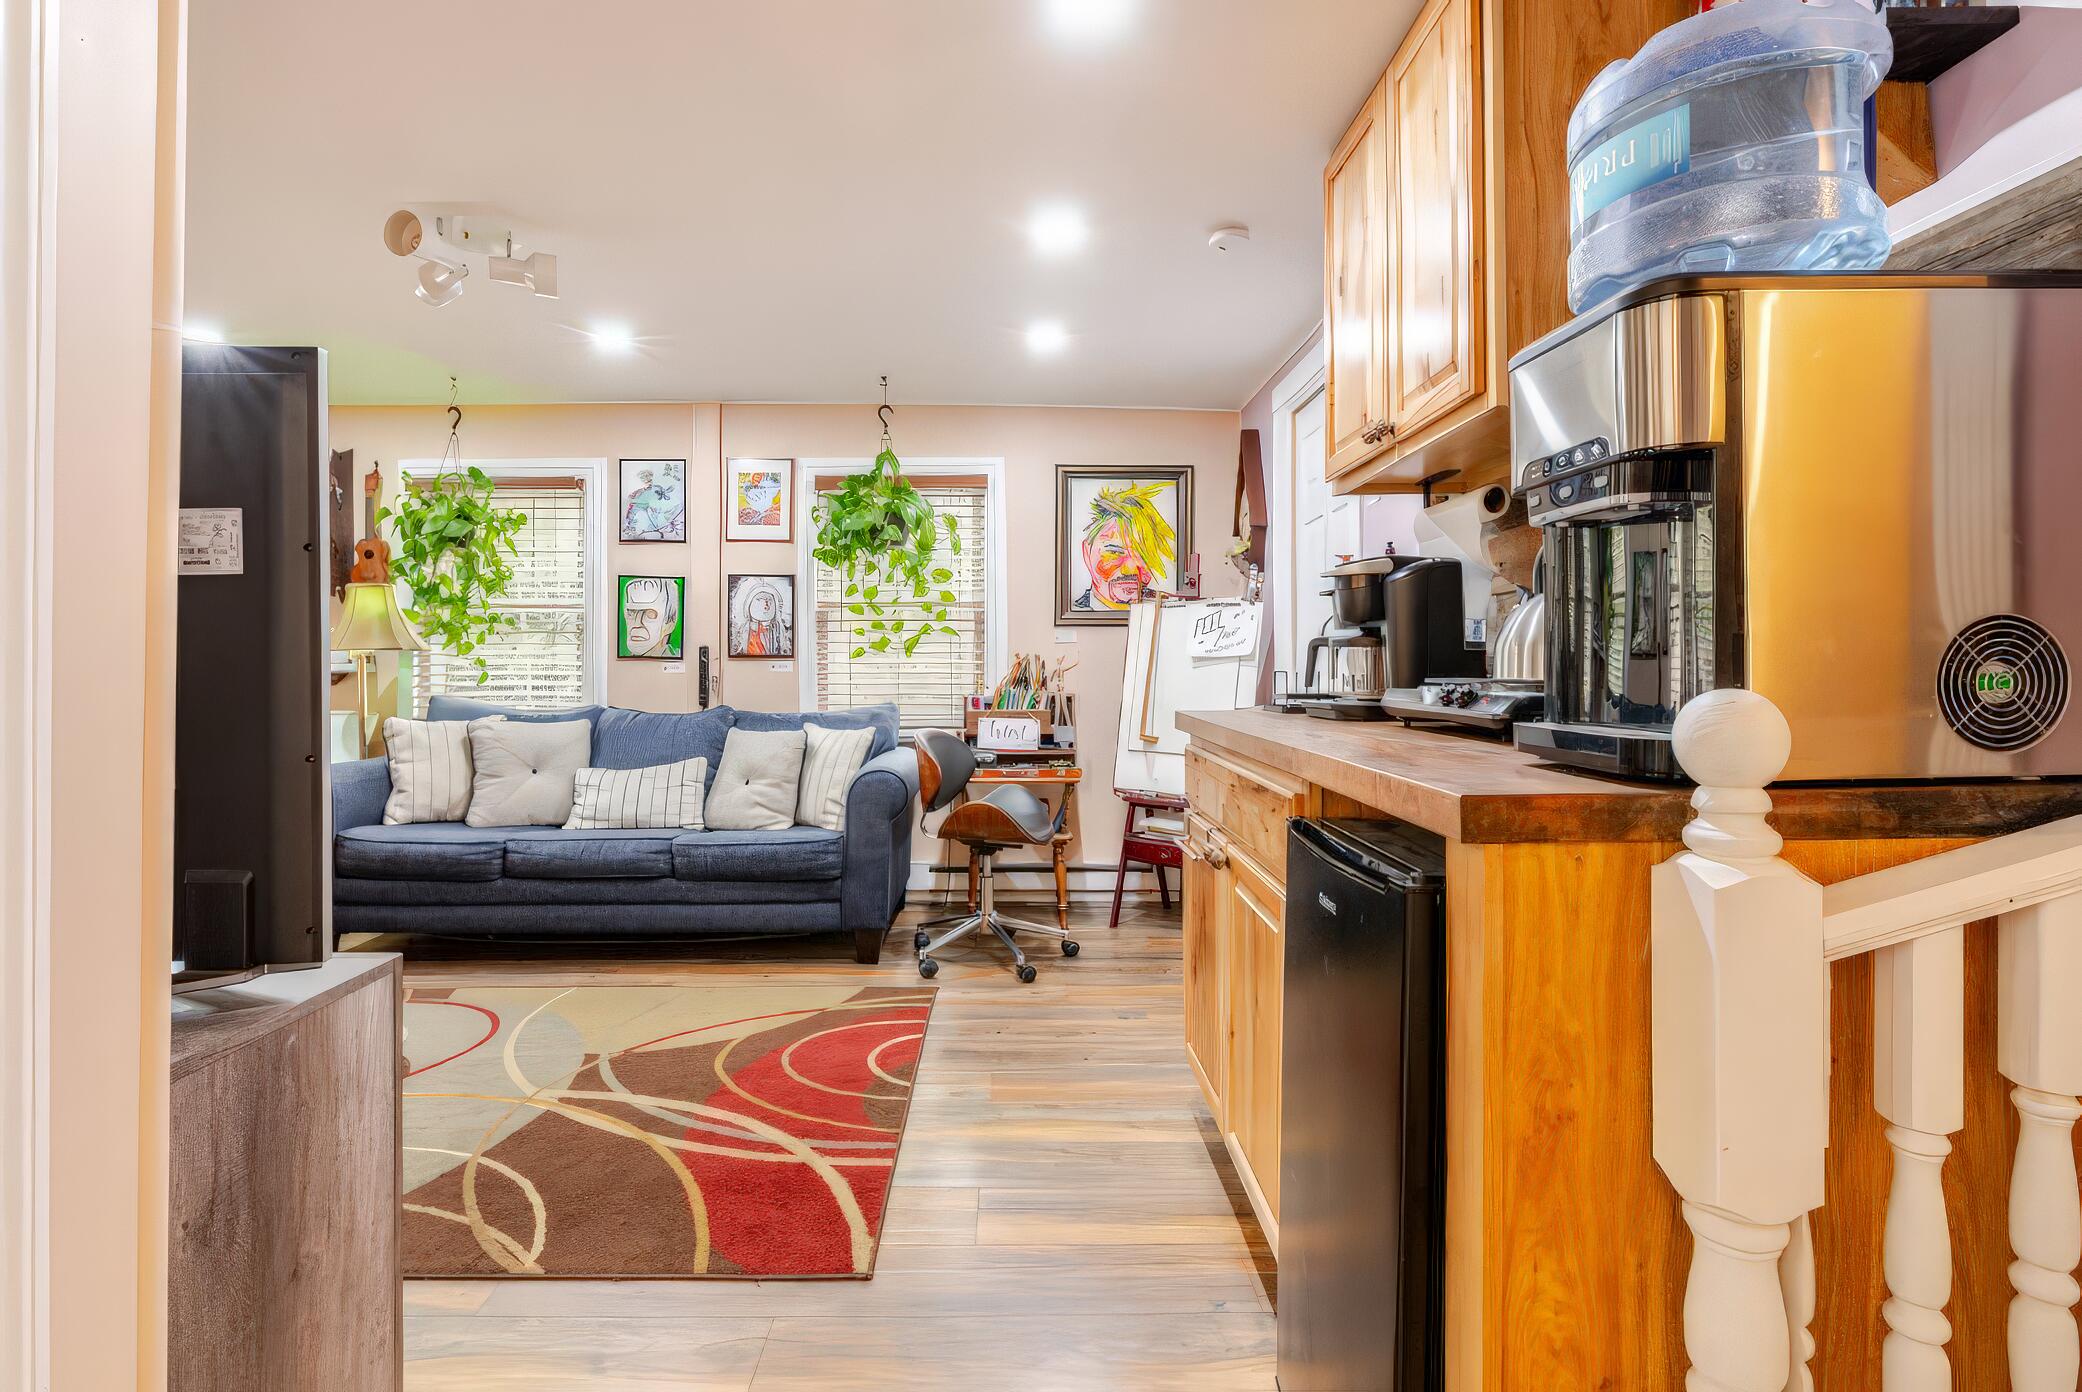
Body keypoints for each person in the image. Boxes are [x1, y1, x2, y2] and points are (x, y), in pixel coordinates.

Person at [1072, 482, 1177, 612]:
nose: (1130, 569)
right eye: (1114, 552)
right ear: (1087, 554)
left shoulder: (1166, 610)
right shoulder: (1075, 613)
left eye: (1143, 558)